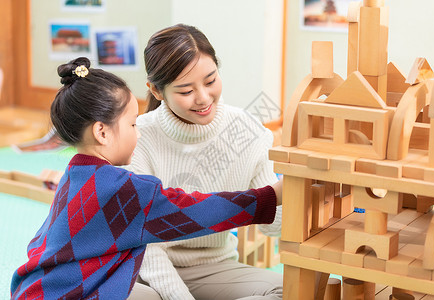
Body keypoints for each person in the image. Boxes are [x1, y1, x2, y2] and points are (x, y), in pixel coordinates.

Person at [10, 57, 283, 300]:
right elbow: (197, 210)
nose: (138, 132)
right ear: (102, 133)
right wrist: (274, 195)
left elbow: (40, 245)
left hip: (40, 288)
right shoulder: (122, 189)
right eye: (132, 124)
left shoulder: (76, 174)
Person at [128, 24, 283, 300]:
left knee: (290, 291)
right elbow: (147, 250)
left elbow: (273, 225)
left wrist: (304, 189)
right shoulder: (137, 138)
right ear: (156, 91)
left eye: (210, 81)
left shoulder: (247, 131)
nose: (203, 98)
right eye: (186, 91)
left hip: (213, 268)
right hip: (142, 270)